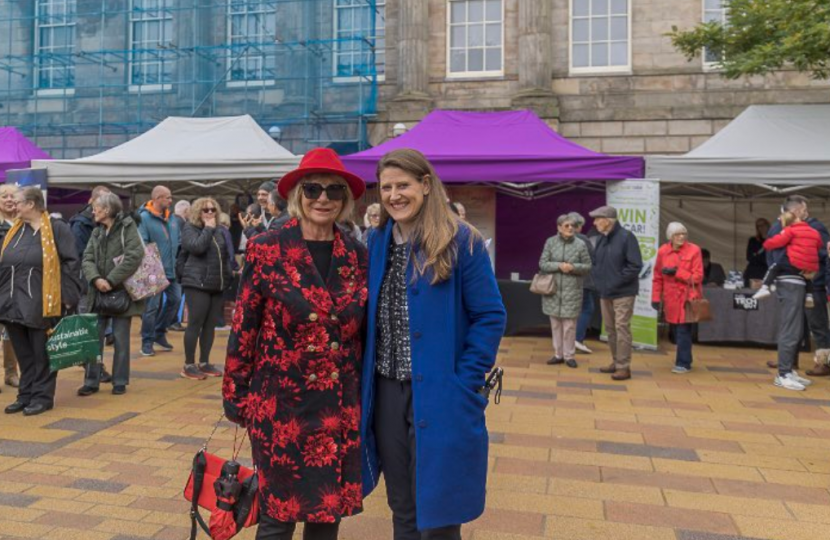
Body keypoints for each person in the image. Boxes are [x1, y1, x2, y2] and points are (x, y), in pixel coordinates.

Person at [223, 148, 368, 540]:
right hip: (281, 405)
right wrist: (235, 394)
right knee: (278, 516)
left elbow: (364, 332)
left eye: (334, 191)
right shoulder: (266, 248)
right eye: (313, 189)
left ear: (346, 200)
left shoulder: (356, 254)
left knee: (325, 514)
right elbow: (244, 326)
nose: (323, 198)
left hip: (337, 405)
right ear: (297, 196)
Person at [362, 148, 506, 540]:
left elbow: (491, 315)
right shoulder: (377, 242)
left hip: (443, 390)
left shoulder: (462, 240)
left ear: (426, 185)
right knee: (402, 505)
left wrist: (466, 378)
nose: (394, 195)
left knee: (440, 511)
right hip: (387, 390)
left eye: (403, 185)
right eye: (386, 187)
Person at [0, 187, 81, 416]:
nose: (13, 205)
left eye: (17, 202)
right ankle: (25, 395)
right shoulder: (16, 230)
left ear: (31, 204)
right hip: (11, 301)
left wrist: (67, 297)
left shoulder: (56, 229)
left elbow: (71, 263)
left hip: (41, 302)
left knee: (41, 354)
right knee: (24, 354)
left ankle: (42, 397)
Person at [77, 193, 145, 396]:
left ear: (106, 210)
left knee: (121, 341)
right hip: (97, 294)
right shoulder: (97, 231)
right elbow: (87, 258)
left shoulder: (127, 227)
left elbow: (134, 256)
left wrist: (111, 280)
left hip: (121, 294)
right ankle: (92, 380)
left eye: (96, 207)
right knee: (93, 341)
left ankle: (120, 381)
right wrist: (97, 279)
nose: (93, 211)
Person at [765, 195, 830, 377]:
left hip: (812, 284)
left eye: (805, 209)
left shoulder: (815, 227)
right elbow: (772, 253)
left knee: (818, 325)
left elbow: (825, 254)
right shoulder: (779, 227)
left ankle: (824, 362)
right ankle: (789, 360)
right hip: (789, 284)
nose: (805, 211)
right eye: (802, 209)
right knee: (792, 324)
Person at [590, 205, 643, 381]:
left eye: (598, 219)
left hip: (623, 292)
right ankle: (615, 361)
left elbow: (635, 266)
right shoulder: (601, 239)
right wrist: (599, 283)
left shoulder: (627, 237)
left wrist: (614, 282)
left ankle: (623, 367)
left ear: (607, 221)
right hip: (605, 292)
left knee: (621, 329)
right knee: (611, 330)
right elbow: (596, 264)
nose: (595, 222)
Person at [179, 198, 230, 380]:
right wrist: (208, 229)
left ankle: (204, 362)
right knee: (195, 323)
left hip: (216, 284)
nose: (209, 213)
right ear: (197, 213)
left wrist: (228, 277)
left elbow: (224, 255)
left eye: (213, 210)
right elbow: (197, 247)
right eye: (205, 210)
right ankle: (188, 364)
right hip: (197, 283)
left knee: (210, 325)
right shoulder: (190, 229)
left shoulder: (219, 231)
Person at [539, 214, 592, 368]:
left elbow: (588, 266)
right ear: (559, 228)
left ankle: (569, 356)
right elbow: (543, 263)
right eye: (567, 226)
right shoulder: (550, 242)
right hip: (553, 290)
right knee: (555, 324)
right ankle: (558, 354)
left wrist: (573, 267)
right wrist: (559, 266)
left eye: (573, 226)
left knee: (569, 326)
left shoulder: (581, 244)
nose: (570, 228)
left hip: (572, 291)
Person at [652, 223, 704, 374]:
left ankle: (683, 362)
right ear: (670, 237)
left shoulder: (694, 250)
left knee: (683, 331)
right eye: (677, 234)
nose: (681, 237)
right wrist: (655, 297)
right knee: (676, 331)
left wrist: (677, 272)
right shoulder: (663, 251)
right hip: (670, 298)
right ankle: (686, 358)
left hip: (688, 298)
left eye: (683, 234)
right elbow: (657, 277)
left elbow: (698, 277)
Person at [138, 186, 181, 357]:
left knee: (175, 300)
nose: (171, 201)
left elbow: (177, 240)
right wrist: (153, 268)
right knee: (151, 308)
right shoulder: (144, 218)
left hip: (171, 269)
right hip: (153, 270)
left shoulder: (172, 218)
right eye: (168, 198)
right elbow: (143, 244)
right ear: (157, 198)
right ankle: (147, 342)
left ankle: (159, 332)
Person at [754, 211, 822, 305]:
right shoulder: (814, 232)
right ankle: (809, 296)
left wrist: (766, 245)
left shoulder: (790, 230)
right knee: (806, 276)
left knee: (775, 266)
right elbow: (819, 245)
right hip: (811, 266)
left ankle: (765, 287)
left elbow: (778, 241)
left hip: (796, 263)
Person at [0, 184, 20, 389]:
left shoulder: (23, 225)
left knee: (11, 333)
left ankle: (11, 372)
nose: (9, 199)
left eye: (13, 196)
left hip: (16, 287)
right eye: (4, 196)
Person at [570, 211, 598, 354]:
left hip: (567, 281)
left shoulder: (561, 238)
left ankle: (567, 340)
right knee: (587, 308)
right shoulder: (583, 239)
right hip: (583, 280)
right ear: (579, 225)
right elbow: (593, 258)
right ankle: (577, 339)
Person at [69, 185, 111, 260]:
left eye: (109, 201)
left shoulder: (107, 220)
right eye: (104, 200)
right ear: (93, 201)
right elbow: (80, 256)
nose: (107, 204)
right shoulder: (81, 224)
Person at [170, 199, 192, 333]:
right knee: (176, 295)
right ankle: (172, 321)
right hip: (178, 264)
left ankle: (170, 321)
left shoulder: (171, 221)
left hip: (173, 263)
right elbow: (183, 245)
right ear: (186, 211)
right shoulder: (181, 223)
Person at [744, 218, 770, 286]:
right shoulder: (753, 240)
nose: (761, 227)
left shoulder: (774, 240)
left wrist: (756, 255)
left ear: (768, 225)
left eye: (763, 225)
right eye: (759, 226)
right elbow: (749, 257)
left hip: (767, 272)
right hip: (753, 272)